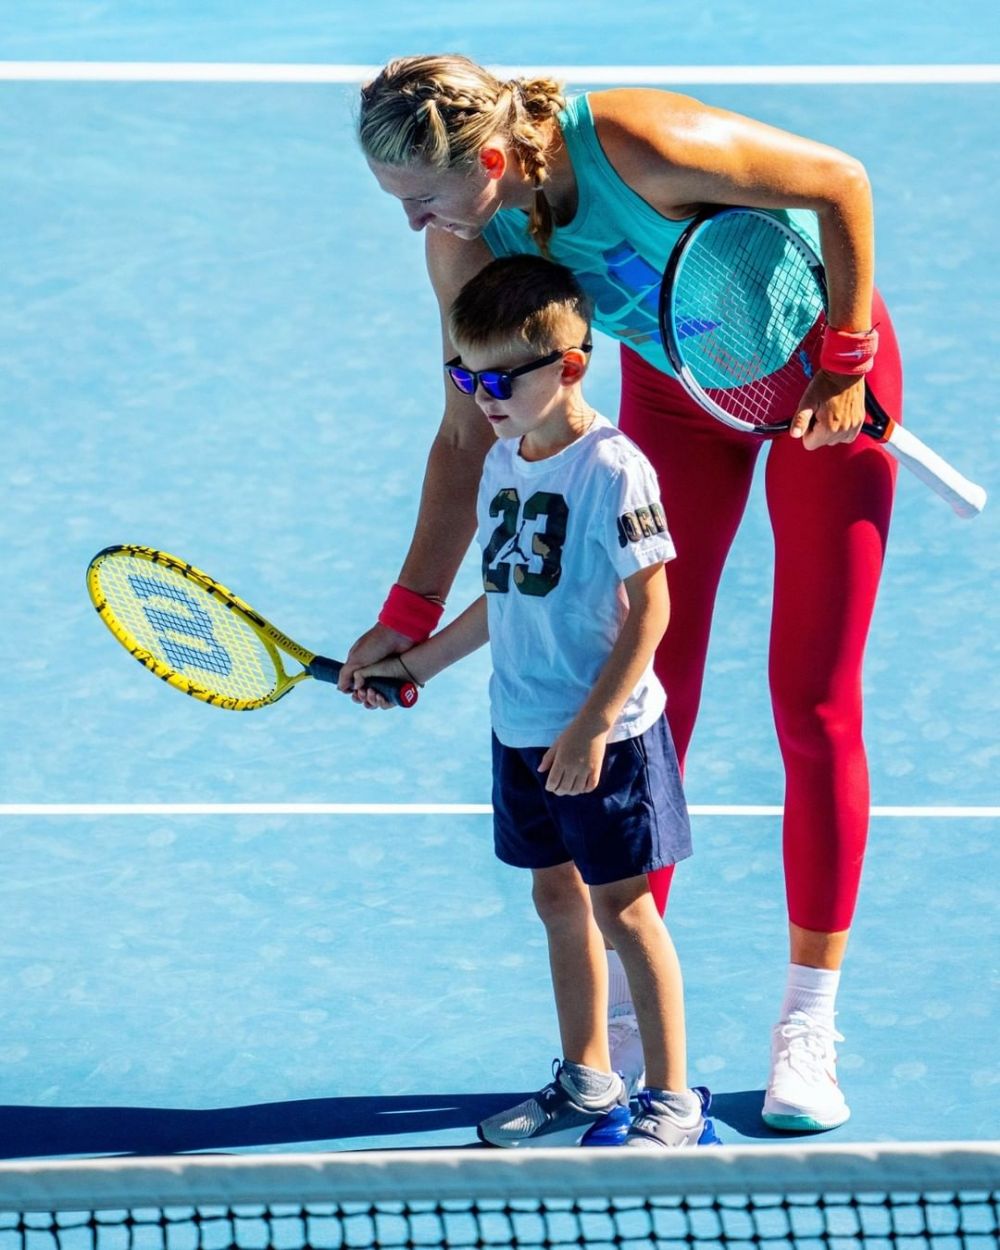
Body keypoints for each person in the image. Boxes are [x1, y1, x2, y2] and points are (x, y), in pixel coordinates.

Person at [345, 53, 904, 1132]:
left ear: (495, 161)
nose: (415, 224)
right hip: (684, 389)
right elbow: (467, 431)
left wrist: (842, 359)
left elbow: (840, 181)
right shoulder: (467, 243)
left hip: (820, 384)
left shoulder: (641, 143)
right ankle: (642, 1032)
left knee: (812, 696)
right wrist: (408, 616)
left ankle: (807, 1018)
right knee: (652, 680)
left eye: (421, 199)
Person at [356, 253, 718, 1149]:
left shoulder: (613, 470)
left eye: (496, 378)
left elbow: (654, 607)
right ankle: (588, 1080)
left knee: (626, 908)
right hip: (518, 727)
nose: (480, 395)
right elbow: (505, 592)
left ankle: (672, 1097)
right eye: (464, 375)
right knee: (556, 900)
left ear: (570, 366)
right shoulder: (505, 461)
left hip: (605, 737)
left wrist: (593, 725)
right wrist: (422, 664)